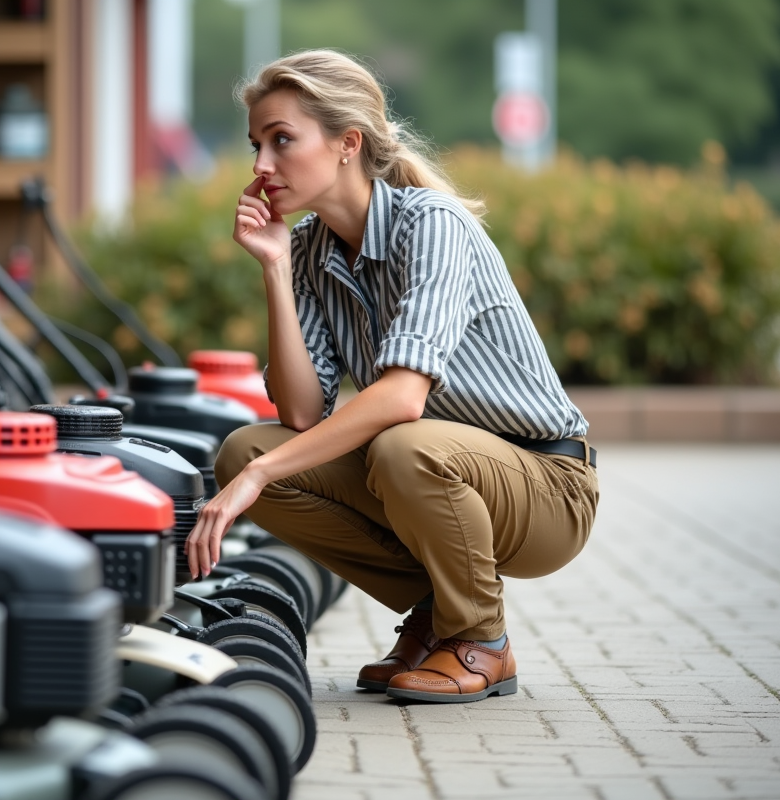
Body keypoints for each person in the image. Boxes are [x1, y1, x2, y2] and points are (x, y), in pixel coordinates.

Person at [185, 50, 599, 704]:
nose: (261, 166)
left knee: (397, 444)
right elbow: (300, 414)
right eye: (256, 144)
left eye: (282, 140)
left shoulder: (429, 224)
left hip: (547, 484)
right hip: (433, 466)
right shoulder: (313, 251)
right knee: (245, 452)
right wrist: (274, 266)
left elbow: (405, 397)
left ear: (347, 143)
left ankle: (479, 641)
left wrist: (269, 475)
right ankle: (436, 613)